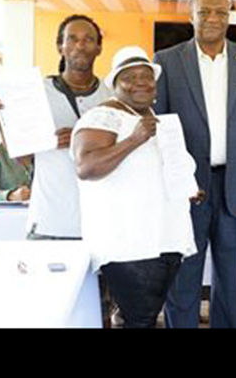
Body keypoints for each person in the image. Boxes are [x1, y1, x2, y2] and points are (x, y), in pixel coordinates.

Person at [154, 0, 236, 329]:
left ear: (230, 18)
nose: (212, 19)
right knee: (183, 277)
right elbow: (159, 129)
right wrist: (170, 185)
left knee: (232, 279)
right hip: (186, 189)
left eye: (220, 13)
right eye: (204, 12)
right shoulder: (166, 61)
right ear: (191, 15)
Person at [71, 46, 198, 329]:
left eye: (147, 75)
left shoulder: (154, 119)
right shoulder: (103, 116)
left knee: (143, 318)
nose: (141, 81)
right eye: (130, 76)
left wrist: (187, 187)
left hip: (163, 237)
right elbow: (86, 167)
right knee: (139, 320)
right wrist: (133, 140)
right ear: (115, 84)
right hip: (130, 243)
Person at [0, 14, 112, 239]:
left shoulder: (111, 97)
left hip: (101, 224)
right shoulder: (35, 93)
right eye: (72, 39)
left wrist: (83, 140)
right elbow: (25, 159)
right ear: (60, 46)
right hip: (48, 222)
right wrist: (1, 123)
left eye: (88, 39)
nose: (80, 45)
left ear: (99, 48)